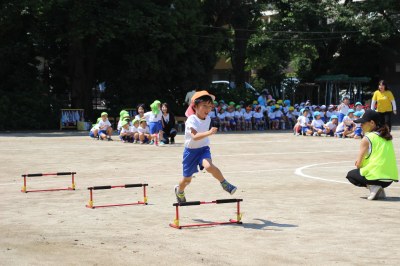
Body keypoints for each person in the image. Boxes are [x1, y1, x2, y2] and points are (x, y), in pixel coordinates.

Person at [174, 91, 237, 203]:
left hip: (203, 149)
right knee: (187, 180)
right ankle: (179, 191)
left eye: (209, 106)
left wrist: (208, 133)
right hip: (190, 152)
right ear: (195, 106)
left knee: (209, 166)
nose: (207, 109)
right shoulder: (191, 120)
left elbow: (201, 137)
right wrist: (209, 132)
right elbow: (195, 136)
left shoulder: (207, 118)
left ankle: (224, 183)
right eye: (204, 106)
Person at [346, 110, 398, 200]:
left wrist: (359, 163)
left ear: (372, 123)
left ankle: (374, 187)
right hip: (389, 179)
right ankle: (379, 189)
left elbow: (358, 164)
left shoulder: (367, 138)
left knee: (351, 175)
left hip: (375, 177)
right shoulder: (387, 137)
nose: (360, 125)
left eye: (363, 123)